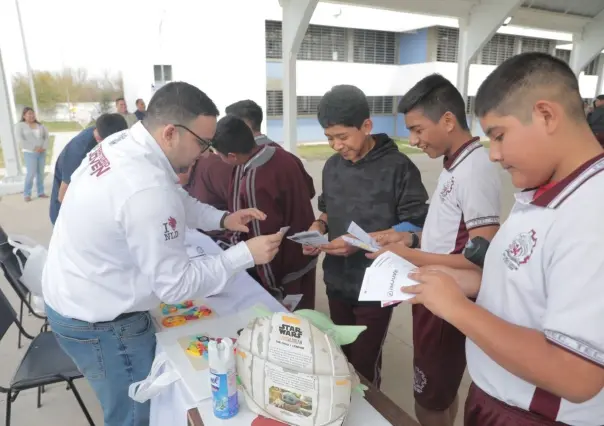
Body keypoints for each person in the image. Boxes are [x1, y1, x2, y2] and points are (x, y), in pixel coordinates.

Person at [42, 82, 284, 426]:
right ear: (170, 132)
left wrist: (222, 218)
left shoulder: (125, 142)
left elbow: (174, 198)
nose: (205, 153)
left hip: (78, 295)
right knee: (135, 416)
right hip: (101, 322)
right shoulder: (144, 187)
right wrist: (244, 255)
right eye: (202, 143)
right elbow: (175, 286)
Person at [407, 52, 604, 425]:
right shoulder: (546, 192)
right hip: (496, 396)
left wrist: (457, 308)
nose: (494, 154)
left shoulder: (593, 212)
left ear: (546, 115)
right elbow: (516, 286)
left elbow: (577, 374)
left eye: (499, 136)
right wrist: (437, 281)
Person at [368, 74, 501, 426]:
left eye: (417, 129)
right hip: (432, 291)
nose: (413, 140)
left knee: (428, 400)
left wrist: (413, 257)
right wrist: (408, 241)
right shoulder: (454, 164)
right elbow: (449, 231)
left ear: (447, 120)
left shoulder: (474, 168)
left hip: (447, 299)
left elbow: (481, 252)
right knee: (439, 392)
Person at [304, 84, 429, 387]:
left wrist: (361, 243)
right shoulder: (333, 166)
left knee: (364, 362)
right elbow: (326, 211)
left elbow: (417, 225)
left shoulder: (398, 167)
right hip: (336, 279)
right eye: (329, 138)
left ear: (367, 126)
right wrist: (317, 228)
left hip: (377, 284)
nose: (336, 146)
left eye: (343, 137)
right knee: (341, 355)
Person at [212, 115, 317, 309]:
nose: (217, 158)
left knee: (290, 327)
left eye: (218, 154)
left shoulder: (254, 181)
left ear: (232, 156)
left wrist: (271, 289)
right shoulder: (283, 154)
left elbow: (265, 242)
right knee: (307, 316)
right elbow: (310, 189)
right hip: (305, 253)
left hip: (283, 271)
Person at [49, 113, 128, 225]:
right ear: (100, 139)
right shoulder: (78, 151)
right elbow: (63, 196)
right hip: (66, 215)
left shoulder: (105, 131)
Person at [14, 107, 49, 202]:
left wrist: (43, 148)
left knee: (41, 173)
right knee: (31, 173)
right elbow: (20, 141)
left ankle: (40, 192)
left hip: (42, 152)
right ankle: (27, 194)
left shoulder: (40, 125)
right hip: (30, 153)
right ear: (24, 115)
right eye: (29, 114)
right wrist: (34, 148)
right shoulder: (20, 126)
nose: (31, 115)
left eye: (32, 113)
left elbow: (46, 137)